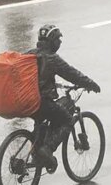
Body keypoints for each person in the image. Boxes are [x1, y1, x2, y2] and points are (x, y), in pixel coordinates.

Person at [29, 24, 101, 172]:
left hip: (28, 102)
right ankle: (47, 150)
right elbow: (72, 74)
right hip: (42, 102)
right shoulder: (51, 58)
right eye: (58, 39)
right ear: (52, 41)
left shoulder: (30, 54)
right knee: (67, 119)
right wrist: (91, 84)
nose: (60, 43)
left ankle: (36, 154)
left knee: (42, 124)